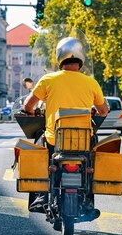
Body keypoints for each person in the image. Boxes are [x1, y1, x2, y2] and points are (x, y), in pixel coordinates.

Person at [22, 37, 109, 218]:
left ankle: (40, 196)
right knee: (91, 160)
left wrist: (31, 112)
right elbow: (103, 110)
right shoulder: (91, 82)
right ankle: (87, 201)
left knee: (39, 146)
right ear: (81, 59)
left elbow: (28, 105)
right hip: (82, 142)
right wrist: (95, 111)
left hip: (55, 140)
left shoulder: (48, 79)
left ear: (60, 57)